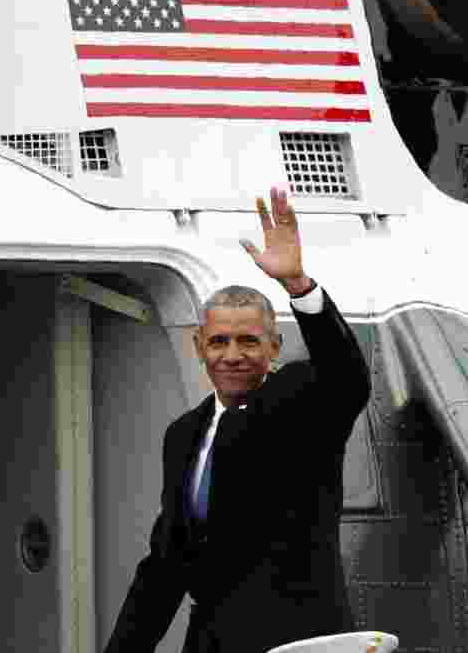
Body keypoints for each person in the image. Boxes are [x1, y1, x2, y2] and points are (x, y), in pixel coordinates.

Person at [104, 186, 371, 653]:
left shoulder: (301, 400)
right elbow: (168, 562)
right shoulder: (184, 433)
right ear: (199, 348)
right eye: (219, 342)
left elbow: (346, 378)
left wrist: (299, 287)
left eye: (248, 342)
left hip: (297, 644)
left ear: (273, 348)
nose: (232, 356)